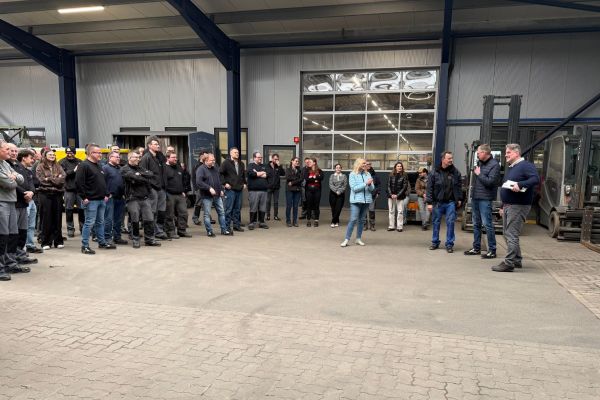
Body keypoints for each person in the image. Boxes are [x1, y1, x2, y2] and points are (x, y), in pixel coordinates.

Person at [493, 143, 540, 272]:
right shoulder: (512, 167)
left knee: (511, 234)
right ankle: (516, 260)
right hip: (508, 205)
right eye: (506, 152)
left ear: (517, 153)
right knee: (507, 233)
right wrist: (502, 206)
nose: (506, 155)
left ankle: (509, 263)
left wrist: (520, 184)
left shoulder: (525, 165)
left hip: (518, 205)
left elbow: (535, 179)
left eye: (508, 152)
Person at [76, 143, 117, 255]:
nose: (100, 154)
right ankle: (85, 246)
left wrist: (106, 194)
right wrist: (84, 197)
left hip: (101, 200)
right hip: (91, 200)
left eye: (100, 152)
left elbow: (102, 182)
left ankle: (102, 242)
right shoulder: (84, 165)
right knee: (89, 223)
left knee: (100, 222)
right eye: (98, 152)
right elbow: (79, 183)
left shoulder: (99, 165)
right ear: (90, 153)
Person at [464, 144, 501, 259]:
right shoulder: (481, 163)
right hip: (476, 197)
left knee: (487, 224)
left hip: (485, 199)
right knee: (476, 224)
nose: (477, 155)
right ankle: (476, 248)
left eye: (479, 153)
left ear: (485, 153)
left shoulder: (494, 165)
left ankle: (492, 250)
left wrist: (479, 174)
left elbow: (490, 182)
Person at [0, 141, 28, 281]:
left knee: (12, 234)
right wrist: (12, 178)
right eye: (6, 149)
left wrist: (14, 176)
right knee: (2, 235)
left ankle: (10, 263)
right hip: (2, 202)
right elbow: (8, 183)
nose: (9, 152)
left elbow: (21, 179)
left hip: (11, 201)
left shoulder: (5, 164)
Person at [121, 151, 160, 248]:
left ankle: (149, 240)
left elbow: (150, 174)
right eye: (135, 157)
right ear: (129, 158)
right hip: (132, 198)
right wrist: (141, 177)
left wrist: (140, 175)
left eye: (138, 157)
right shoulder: (124, 169)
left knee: (149, 218)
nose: (138, 159)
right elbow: (133, 176)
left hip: (144, 198)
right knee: (135, 220)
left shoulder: (140, 168)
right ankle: (135, 240)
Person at [426, 151, 463, 253]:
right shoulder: (434, 172)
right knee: (436, 222)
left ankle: (449, 244)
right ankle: (435, 242)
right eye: (449, 158)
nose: (451, 160)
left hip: (450, 202)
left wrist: (459, 198)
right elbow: (429, 188)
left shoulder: (456, 172)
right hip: (437, 202)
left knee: (450, 222)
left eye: (452, 158)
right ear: (443, 159)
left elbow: (459, 186)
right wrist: (429, 202)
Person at [8, 145, 37, 265]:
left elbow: (31, 183)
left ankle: (20, 255)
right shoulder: (7, 166)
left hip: (24, 203)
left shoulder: (20, 167)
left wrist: (31, 192)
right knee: (13, 233)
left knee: (22, 231)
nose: (14, 153)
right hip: (15, 203)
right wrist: (25, 193)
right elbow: (13, 183)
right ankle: (11, 258)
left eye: (16, 151)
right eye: (11, 151)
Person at [36, 149, 65, 250]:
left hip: (57, 194)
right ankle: (46, 242)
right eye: (50, 154)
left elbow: (62, 179)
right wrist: (56, 178)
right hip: (45, 195)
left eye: (53, 154)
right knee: (46, 218)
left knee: (58, 218)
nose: (52, 156)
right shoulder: (40, 167)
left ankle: (58, 241)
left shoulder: (58, 166)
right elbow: (41, 181)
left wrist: (49, 178)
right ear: (45, 156)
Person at [341, 158, 375, 247]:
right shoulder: (352, 174)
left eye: (365, 164)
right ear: (358, 164)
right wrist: (366, 183)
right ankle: (346, 239)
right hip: (356, 201)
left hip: (366, 201)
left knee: (361, 220)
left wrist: (370, 184)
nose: (365, 165)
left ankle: (358, 239)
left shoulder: (368, 174)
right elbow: (354, 188)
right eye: (363, 163)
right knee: (353, 219)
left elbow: (372, 189)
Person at [140, 137, 168, 240]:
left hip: (161, 188)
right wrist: (149, 187)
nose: (158, 146)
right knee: (152, 211)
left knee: (161, 211)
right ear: (149, 145)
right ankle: (150, 233)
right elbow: (143, 173)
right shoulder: (146, 158)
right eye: (155, 144)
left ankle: (159, 231)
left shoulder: (159, 157)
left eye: (158, 144)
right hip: (152, 188)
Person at [196, 153, 231, 237]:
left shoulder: (215, 168)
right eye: (212, 160)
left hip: (217, 195)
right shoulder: (201, 169)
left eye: (214, 160)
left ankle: (224, 230)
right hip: (206, 196)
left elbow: (218, 180)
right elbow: (199, 182)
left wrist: (221, 190)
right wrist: (209, 188)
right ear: (206, 160)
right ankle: (209, 231)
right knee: (207, 214)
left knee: (221, 212)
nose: (213, 162)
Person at [102, 151, 128, 245]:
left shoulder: (120, 168)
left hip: (120, 197)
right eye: (116, 157)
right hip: (110, 198)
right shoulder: (105, 168)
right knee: (108, 219)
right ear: (110, 158)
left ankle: (117, 237)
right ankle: (107, 238)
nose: (118, 158)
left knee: (118, 219)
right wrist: (106, 194)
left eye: (119, 157)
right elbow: (102, 182)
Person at [164, 152, 191, 239]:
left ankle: (182, 231)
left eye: (176, 157)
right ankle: (170, 232)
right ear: (167, 158)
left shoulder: (179, 168)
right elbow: (163, 182)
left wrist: (183, 190)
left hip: (180, 194)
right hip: (169, 194)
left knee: (184, 213)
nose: (175, 159)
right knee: (169, 215)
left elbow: (183, 180)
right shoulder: (164, 168)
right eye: (173, 157)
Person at [220, 147, 246, 232]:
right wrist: (224, 183)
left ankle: (236, 225)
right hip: (230, 190)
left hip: (239, 189)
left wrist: (245, 183)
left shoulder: (241, 163)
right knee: (229, 209)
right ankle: (227, 227)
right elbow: (220, 174)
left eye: (238, 152)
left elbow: (243, 175)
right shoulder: (226, 163)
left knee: (237, 209)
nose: (237, 154)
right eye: (235, 152)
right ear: (230, 153)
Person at [59, 146, 84, 237]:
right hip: (68, 190)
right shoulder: (62, 162)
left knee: (81, 210)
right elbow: (63, 175)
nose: (69, 154)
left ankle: (83, 228)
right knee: (69, 210)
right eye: (68, 153)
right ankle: (70, 229)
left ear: (74, 153)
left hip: (79, 190)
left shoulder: (80, 161)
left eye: (71, 153)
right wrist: (74, 170)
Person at [246, 152, 270, 230]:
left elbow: (267, 175)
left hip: (264, 191)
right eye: (258, 157)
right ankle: (252, 222)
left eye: (261, 157)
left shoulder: (264, 166)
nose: (260, 158)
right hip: (254, 191)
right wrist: (261, 173)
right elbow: (251, 174)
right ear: (254, 158)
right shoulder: (250, 165)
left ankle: (261, 222)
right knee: (253, 207)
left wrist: (257, 173)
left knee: (262, 207)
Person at [26, 149, 42, 254]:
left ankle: (30, 245)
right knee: (24, 225)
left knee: (31, 226)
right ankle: (22, 248)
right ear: (24, 158)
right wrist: (27, 193)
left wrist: (32, 191)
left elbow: (36, 182)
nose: (33, 160)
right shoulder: (17, 169)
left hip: (32, 199)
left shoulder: (29, 171)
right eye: (31, 158)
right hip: (25, 200)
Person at [387, 161, 410, 232]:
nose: (399, 167)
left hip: (400, 196)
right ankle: (391, 226)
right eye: (398, 166)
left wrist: (397, 195)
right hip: (391, 196)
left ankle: (399, 227)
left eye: (400, 166)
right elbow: (388, 186)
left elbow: (404, 187)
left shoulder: (404, 175)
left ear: (402, 167)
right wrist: (391, 194)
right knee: (391, 211)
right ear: (395, 167)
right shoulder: (391, 175)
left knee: (400, 212)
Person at [304, 158, 323, 227]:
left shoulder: (319, 170)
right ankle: (308, 220)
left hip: (317, 190)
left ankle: (316, 220)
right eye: (308, 162)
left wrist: (312, 178)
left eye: (310, 162)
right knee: (308, 205)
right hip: (308, 190)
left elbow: (321, 178)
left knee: (316, 205)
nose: (308, 163)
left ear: (314, 163)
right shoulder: (306, 170)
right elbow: (306, 179)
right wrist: (315, 179)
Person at [266, 153, 285, 221]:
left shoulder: (278, 166)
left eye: (277, 159)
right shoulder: (267, 166)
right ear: (272, 159)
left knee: (276, 202)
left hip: (276, 187)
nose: (276, 160)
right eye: (275, 159)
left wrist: (279, 166)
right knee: (268, 201)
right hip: (269, 187)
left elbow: (283, 173)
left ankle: (275, 216)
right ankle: (268, 215)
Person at [192, 151, 209, 225]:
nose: (207, 157)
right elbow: (193, 178)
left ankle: (208, 218)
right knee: (198, 203)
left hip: (207, 187)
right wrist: (196, 188)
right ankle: (195, 218)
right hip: (199, 188)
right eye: (206, 156)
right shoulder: (196, 166)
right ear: (201, 157)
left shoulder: (207, 165)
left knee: (207, 202)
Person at [285, 157, 303, 227]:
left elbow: (301, 179)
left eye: (298, 161)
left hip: (297, 190)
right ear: (292, 161)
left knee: (295, 206)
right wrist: (296, 178)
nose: (297, 162)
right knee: (289, 205)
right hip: (289, 190)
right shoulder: (288, 169)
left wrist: (292, 182)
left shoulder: (299, 170)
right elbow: (288, 177)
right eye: (296, 161)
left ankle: (295, 221)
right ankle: (288, 221)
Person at [328, 163, 347, 228]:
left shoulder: (344, 176)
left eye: (339, 167)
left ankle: (333, 221)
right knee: (333, 208)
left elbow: (344, 185)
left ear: (341, 169)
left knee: (338, 208)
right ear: (335, 169)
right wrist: (336, 191)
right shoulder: (332, 176)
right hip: (332, 194)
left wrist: (339, 191)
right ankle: (337, 221)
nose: (338, 169)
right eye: (337, 167)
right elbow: (331, 185)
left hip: (341, 194)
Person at [365, 162, 381, 231]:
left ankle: (372, 225)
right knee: (364, 211)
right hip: (364, 195)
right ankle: (364, 225)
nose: (368, 165)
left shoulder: (374, 175)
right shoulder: (362, 174)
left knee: (371, 210)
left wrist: (378, 192)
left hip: (372, 195)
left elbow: (378, 184)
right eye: (367, 164)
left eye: (369, 164)